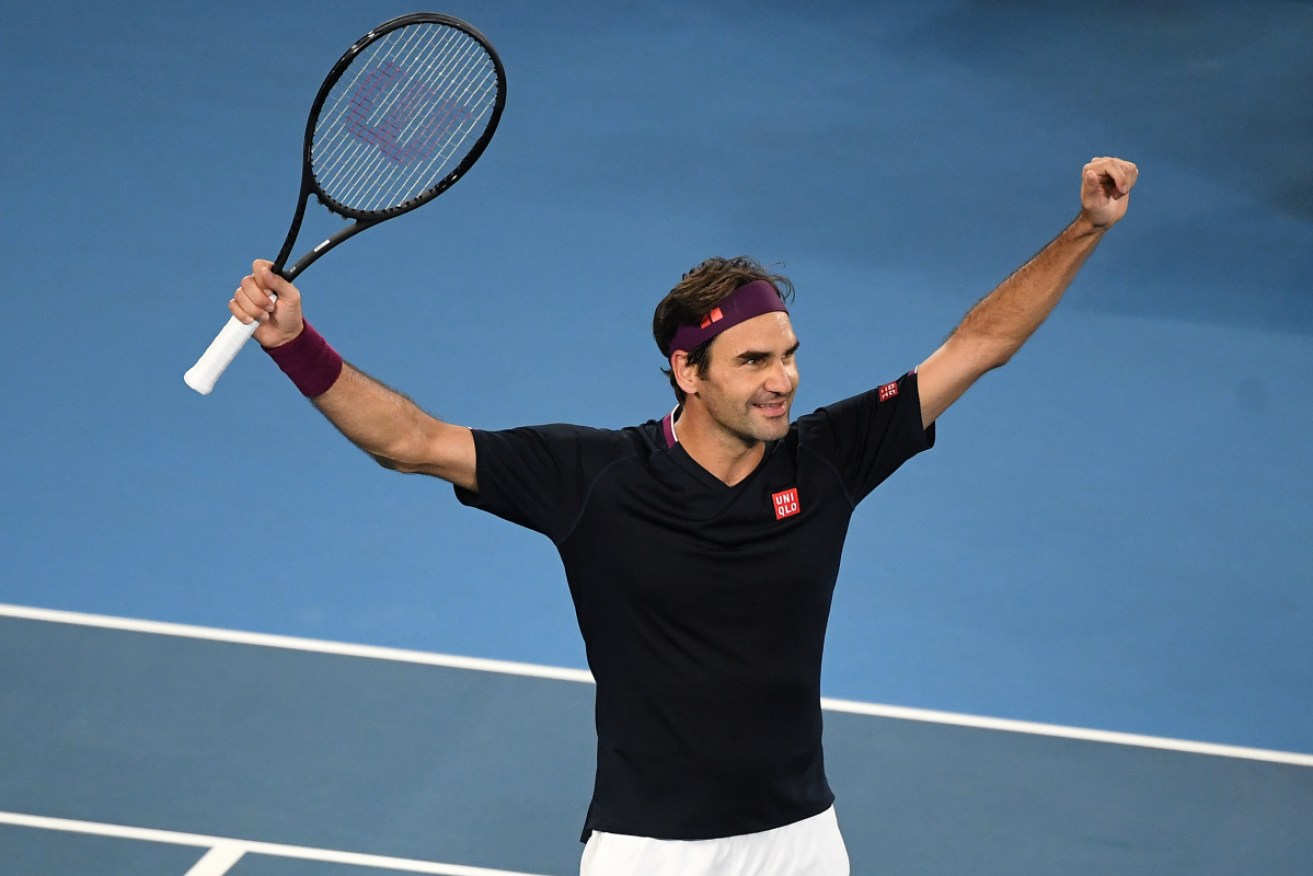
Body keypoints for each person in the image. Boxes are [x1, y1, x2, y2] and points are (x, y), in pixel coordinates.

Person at [229, 156, 1138, 876]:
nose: (781, 377)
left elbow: (979, 345)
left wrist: (1083, 231)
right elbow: (413, 441)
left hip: (799, 841)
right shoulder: (591, 477)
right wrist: (295, 344)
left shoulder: (828, 457)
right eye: (751, 361)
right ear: (687, 371)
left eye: (787, 354)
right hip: (649, 852)